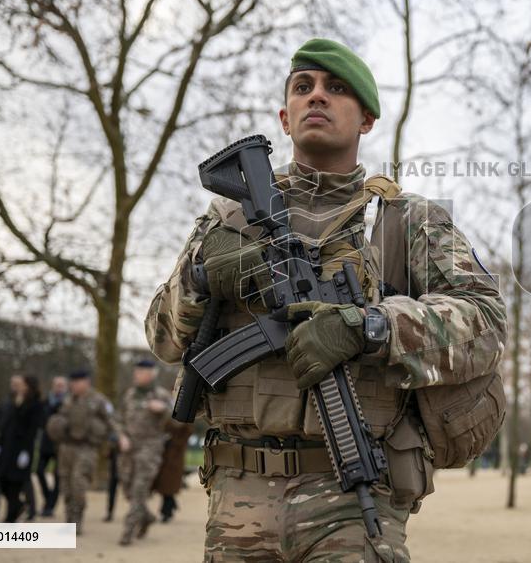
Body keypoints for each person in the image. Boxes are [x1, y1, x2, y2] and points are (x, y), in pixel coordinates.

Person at [145, 38, 507, 562]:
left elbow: (488, 325)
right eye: (303, 87)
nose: (317, 97)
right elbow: (160, 337)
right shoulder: (228, 220)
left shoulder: (407, 221)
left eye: (336, 89)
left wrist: (372, 328)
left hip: (356, 499)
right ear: (284, 118)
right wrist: (200, 276)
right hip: (236, 498)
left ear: (366, 120)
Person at [45, 368, 122, 535]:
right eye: (72, 382)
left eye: (77, 382)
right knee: (66, 486)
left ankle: (77, 521)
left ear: (86, 382)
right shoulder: (68, 400)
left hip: (87, 448)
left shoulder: (98, 400)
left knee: (78, 484)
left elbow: (112, 420)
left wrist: (120, 438)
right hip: (66, 448)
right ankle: (69, 522)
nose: (73, 385)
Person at [117, 358, 172, 546]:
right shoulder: (130, 395)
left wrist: (164, 409)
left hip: (150, 448)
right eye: (136, 371)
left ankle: (127, 532)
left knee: (139, 489)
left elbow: (179, 421)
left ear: (151, 374)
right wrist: (121, 436)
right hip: (129, 448)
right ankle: (147, 517)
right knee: (127, 488)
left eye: (141, 372)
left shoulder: (161, 395)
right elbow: (119, 419)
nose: (136, 375)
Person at [0, 375, 43, 522]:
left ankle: (11, 515)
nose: (18, 387)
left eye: (22, 384)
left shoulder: (35, 405)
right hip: (8, 446)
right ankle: (18, 506)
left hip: (21, 448)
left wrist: (26, 452)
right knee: (1, 480)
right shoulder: (14, 401)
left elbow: (31, 430)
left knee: (15, 484)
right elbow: (6, 424)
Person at [37, 376, 66, 517]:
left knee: (58, 476)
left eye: (61, 386)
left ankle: (50, 506)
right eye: (57, 385)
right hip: (46, 443)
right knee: (39, 471)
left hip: (60, 445)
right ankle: (48, 497)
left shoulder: (68, 403)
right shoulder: (45, 402)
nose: (59, 388)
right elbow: (41, 421)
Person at [153, 421, 194, 524]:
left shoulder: (185, 428)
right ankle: (169, 508)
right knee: (164, 488)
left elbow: (186, 434)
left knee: (169, 488)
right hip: (165, 460)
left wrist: (173, 441)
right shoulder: (168, 422)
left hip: (175, 461)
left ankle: (166, 512)